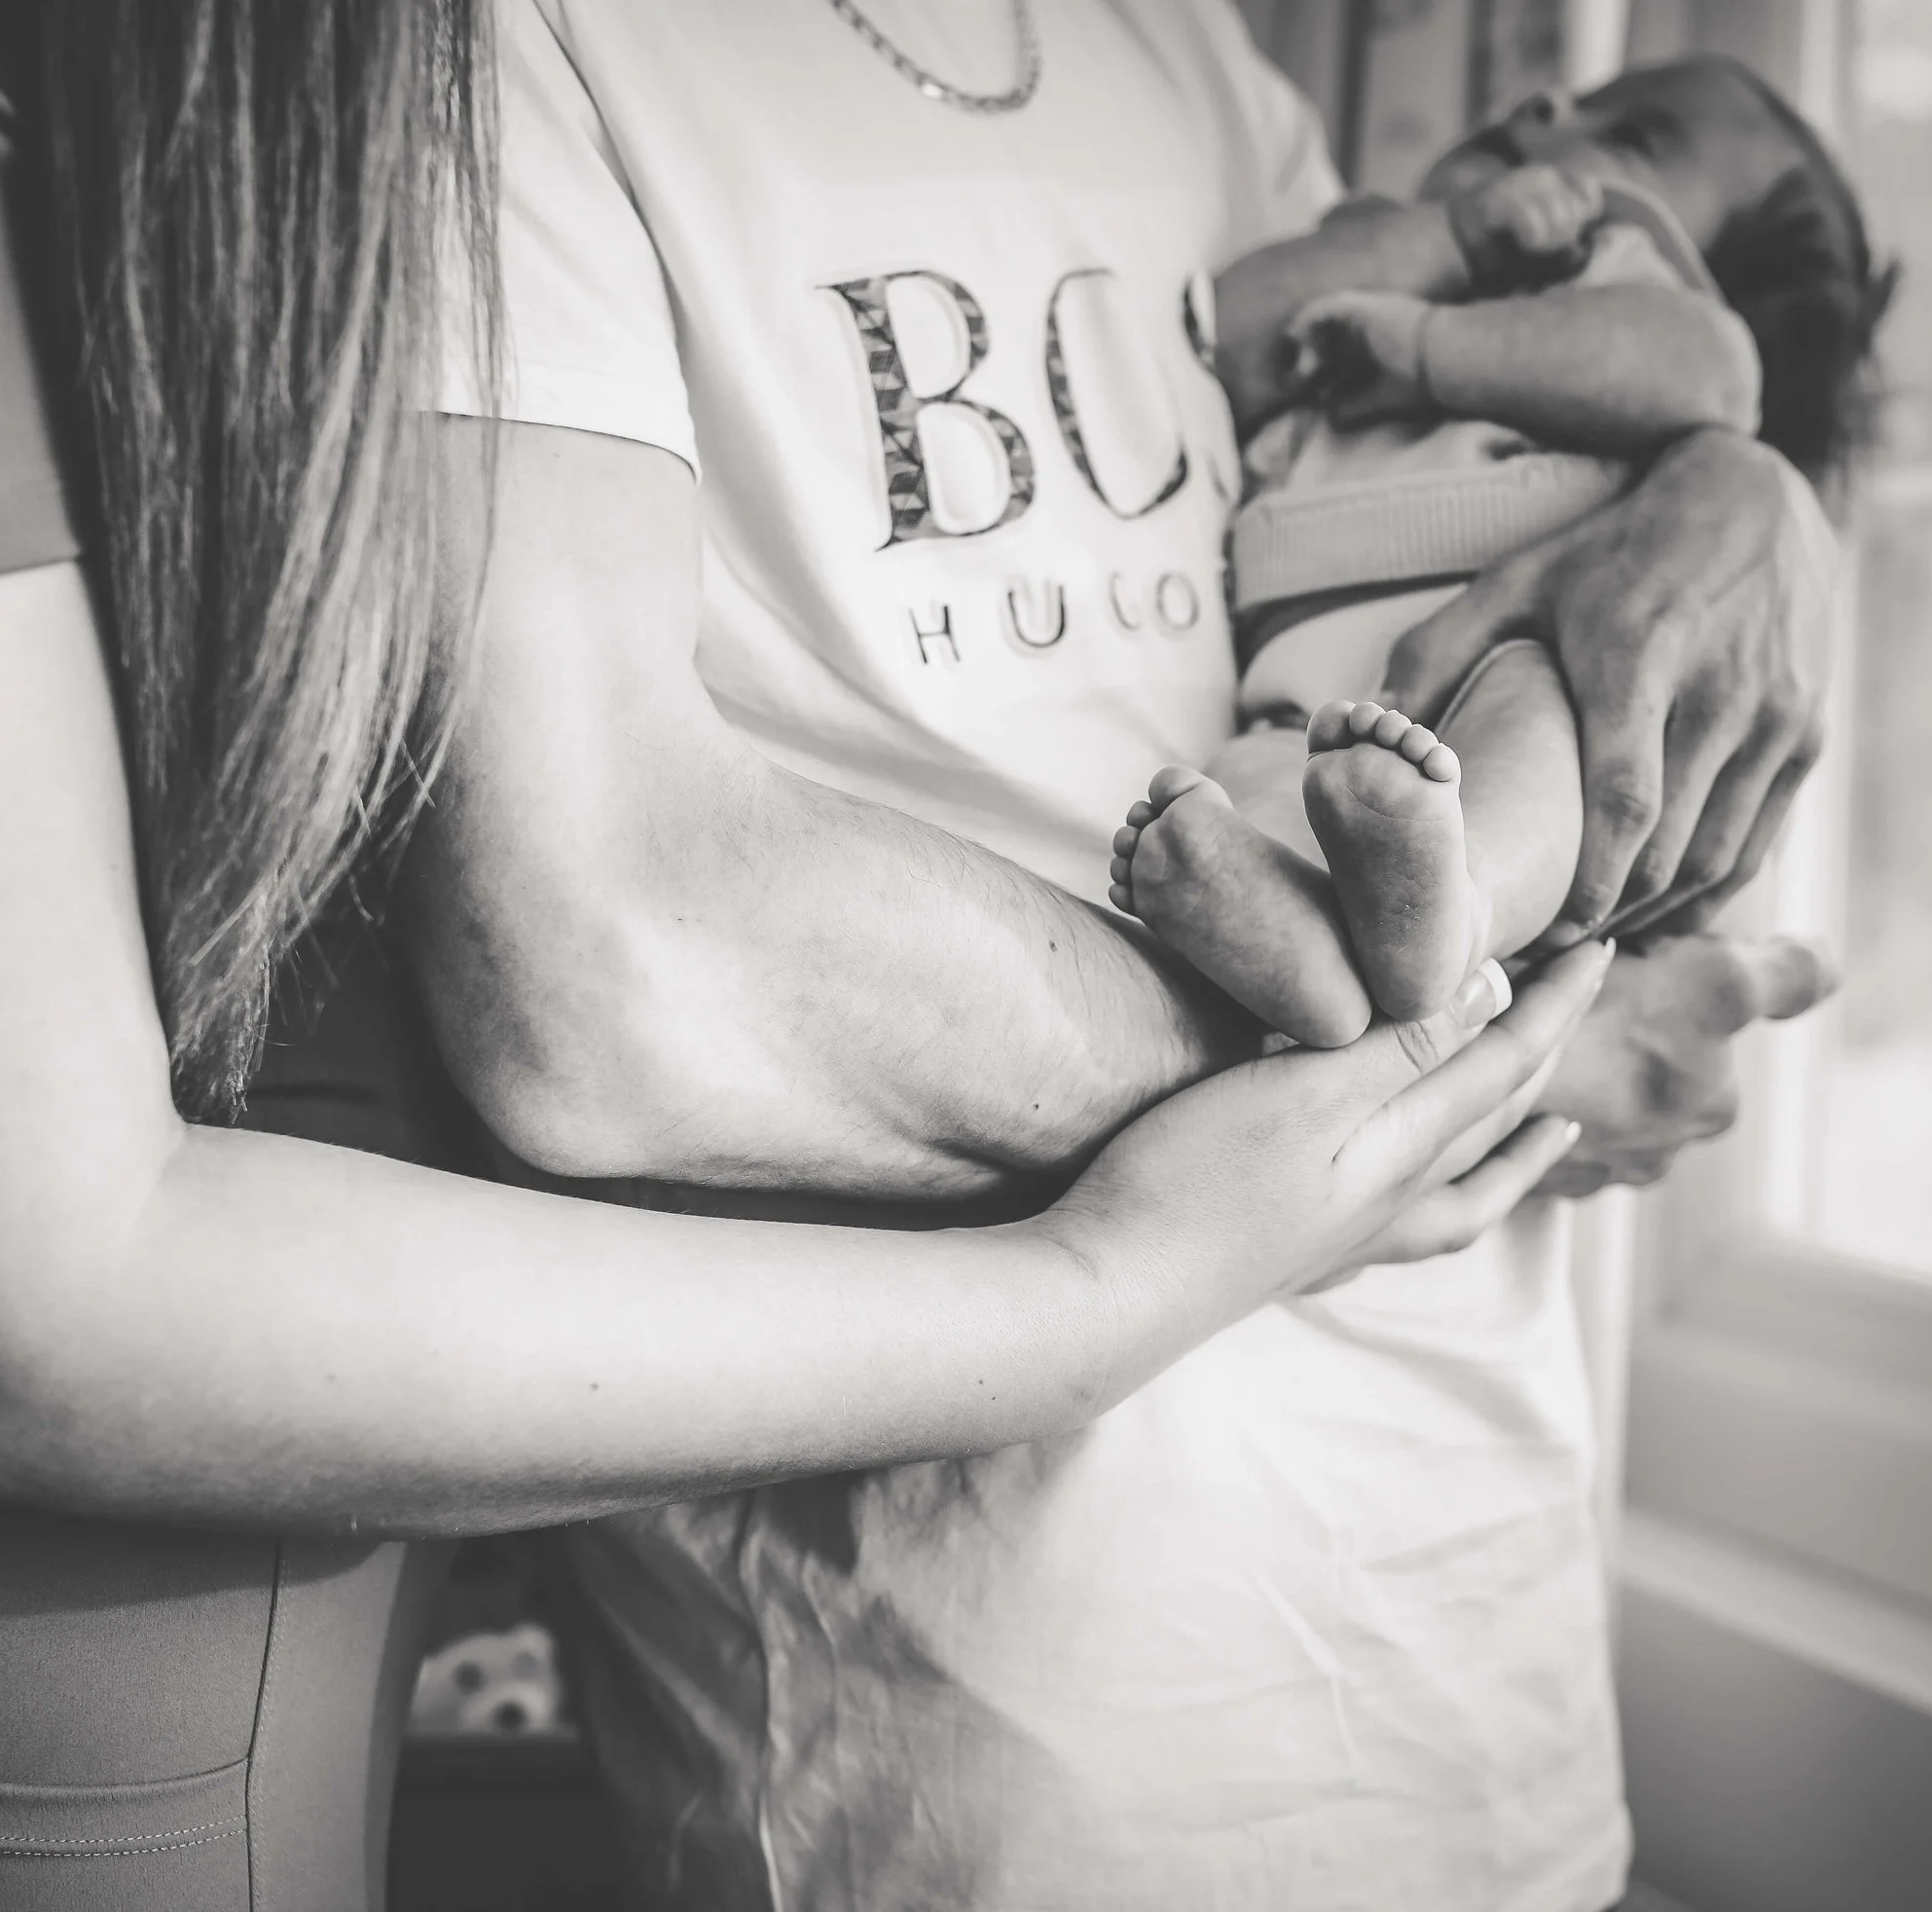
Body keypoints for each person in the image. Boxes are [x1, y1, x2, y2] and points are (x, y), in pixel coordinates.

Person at [0, 3, 1592, 1905]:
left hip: (1413, 1542)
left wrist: (1721, 494)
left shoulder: (263, 84)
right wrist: (1125, 1268)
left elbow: (1400, 520)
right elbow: (7, 1266)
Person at [409, 3, 1841, 1907]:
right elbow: (599, 963)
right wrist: (1479, 1063)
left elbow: (1450, 463)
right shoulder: (473, 50)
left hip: (1478, 1648)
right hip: (964, 1738)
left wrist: (1743, 497)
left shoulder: (1176, 50)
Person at [1115, 55, 1892, 1048]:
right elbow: (1218, 334)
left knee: (1534, 753)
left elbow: (1706, 370)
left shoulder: (1632, 295)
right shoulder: (1378, 248)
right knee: (1260, 779)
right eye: (1573, 98)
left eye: (1631, 138)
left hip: (1510, 649)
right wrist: (1448, 237)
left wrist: (1427, 345)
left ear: (1698, 272)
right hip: (1301, 691)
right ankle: (1303, 968)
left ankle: (1457, 914)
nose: (1545, 103)